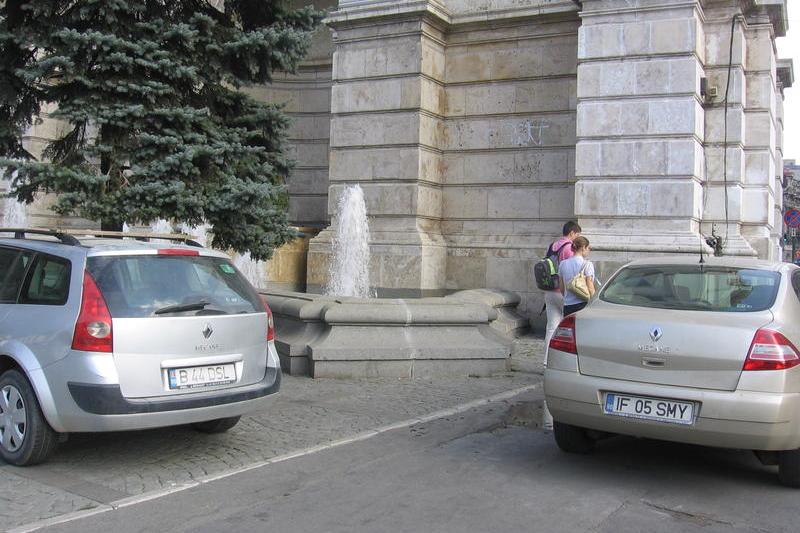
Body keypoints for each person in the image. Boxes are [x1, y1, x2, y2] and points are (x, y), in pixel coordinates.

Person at [543, 221, 581, 352]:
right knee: (568, 329)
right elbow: (572, 271)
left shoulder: (553, 245)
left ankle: (546, 361)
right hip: (562, 292)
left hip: (549, 291)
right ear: (572, 233)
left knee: (551, 327)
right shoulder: (569, 248)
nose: (578, 238)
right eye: (578, 234)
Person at [559, 236, 596, 316]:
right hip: (582, 304)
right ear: (583, 248)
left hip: (567, 305)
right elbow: (590, 286)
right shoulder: (587, 264)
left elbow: (562, 288)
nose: (589, 250)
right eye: (588, 248)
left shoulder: (563, 264)